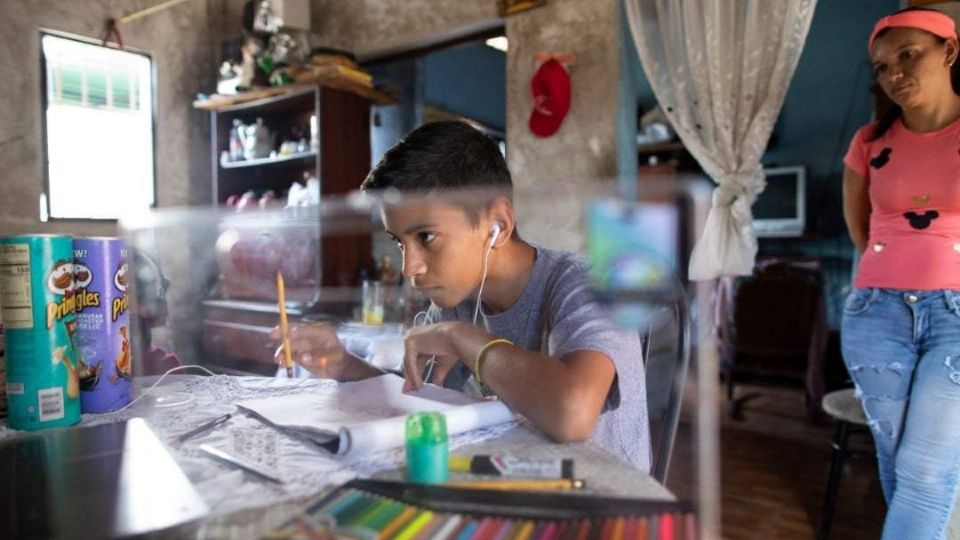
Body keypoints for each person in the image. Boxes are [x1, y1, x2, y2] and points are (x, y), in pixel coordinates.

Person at [271, 121, 650, 471]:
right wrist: (343, 365)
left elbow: (573, 413)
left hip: (606, 504)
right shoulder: (458, 300)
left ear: (497, 226)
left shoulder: (587, 282)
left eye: (426, 237)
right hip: (515, 482)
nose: (410, 268)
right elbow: (417, 398)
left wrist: (464, 339)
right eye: (399, 243)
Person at [842, 8, 960, 539]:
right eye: (883, 65)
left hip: (955, 315)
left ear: (949, 51)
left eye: (908, 55)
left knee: (925, 468)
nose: (894, 74)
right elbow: (859, 228)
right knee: (898, 463)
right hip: (876, 313)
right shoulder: (870, 142)